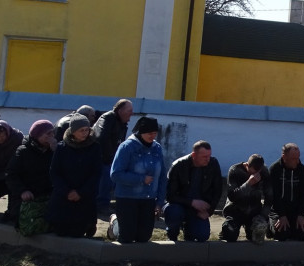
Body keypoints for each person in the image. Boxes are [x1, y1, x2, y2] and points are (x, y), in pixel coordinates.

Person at [109, 115, 167, 244]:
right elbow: (115, 174)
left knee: (143, 237)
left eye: (155, 133)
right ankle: (116, 224)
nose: (152, 136)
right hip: (127, 197)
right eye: (149, 133)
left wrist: (160, 201)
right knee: (127, 237)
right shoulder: (127, 147)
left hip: (148, 198)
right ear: (141, 132)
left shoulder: (156, 148)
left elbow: (162, 176)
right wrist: (140, 179)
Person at [48, 113, 102, 238]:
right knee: (61, 231)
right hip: (64, 195)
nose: (84, 133)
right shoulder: (62, 147)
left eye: (87, 130)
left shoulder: (94, 148)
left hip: (84, 196)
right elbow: (55, 172)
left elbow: (96, 173)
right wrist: (67, 191)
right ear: (73, 131)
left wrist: (81, 192)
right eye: (81, 130)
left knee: (78, 231)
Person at [164, 140, 223, 242]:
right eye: (204, 157)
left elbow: (217, 190)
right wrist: (192, 202)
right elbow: (170, 195)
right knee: (173, 212)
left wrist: (209, 211)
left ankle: (189, 233)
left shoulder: (213, 164)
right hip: (179, 205)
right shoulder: (178, 165)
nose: (207, 159)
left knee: (202, 236)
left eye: (209, 156)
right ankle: (172, 233)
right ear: (194, 155)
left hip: (199, 209)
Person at [5, 120, 57, 234]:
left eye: (53, 133)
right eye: (48, 134)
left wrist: (57, 152)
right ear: (37, 135)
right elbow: (11, 174)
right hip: (27, 196)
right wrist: (22, 191)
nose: (51, 137)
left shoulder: (54, 151)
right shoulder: (23, 151)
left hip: (47, 195)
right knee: (27, 225)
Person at [92, 99, 133, 217]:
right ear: (120, 110)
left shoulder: (122, 123)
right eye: (129, 110)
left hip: (110, 157)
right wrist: (110, 156)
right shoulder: (108, 118)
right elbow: (101, 138)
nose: (132, 113)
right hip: (101, 157)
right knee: (106, 175)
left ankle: (109, 203)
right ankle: (102, 205)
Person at [222, 154, 271, 243]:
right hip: (235, 210)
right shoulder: (235, 170)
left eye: (258, 172)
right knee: (230, 235)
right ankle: (226, 229)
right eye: (253, 172)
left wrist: (263, 215)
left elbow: (269, 196)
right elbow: (232, 196)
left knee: (256, 237)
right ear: (247, 165)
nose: (256, 175)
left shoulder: (263, 171)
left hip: (254, 211)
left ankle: (251, 229)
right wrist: (248, 184)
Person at [269, 143, 304, 241]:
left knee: (303, 235)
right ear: (284, 157)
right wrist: (282, 215)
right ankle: (270, 226)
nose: (297, 161)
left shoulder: (302, 170)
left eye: (298, 158)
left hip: (296, 212)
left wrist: (301, 215)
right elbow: (274, 196)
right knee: (282, 235)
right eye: (293, 159)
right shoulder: (275, 169)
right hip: (278, 212)